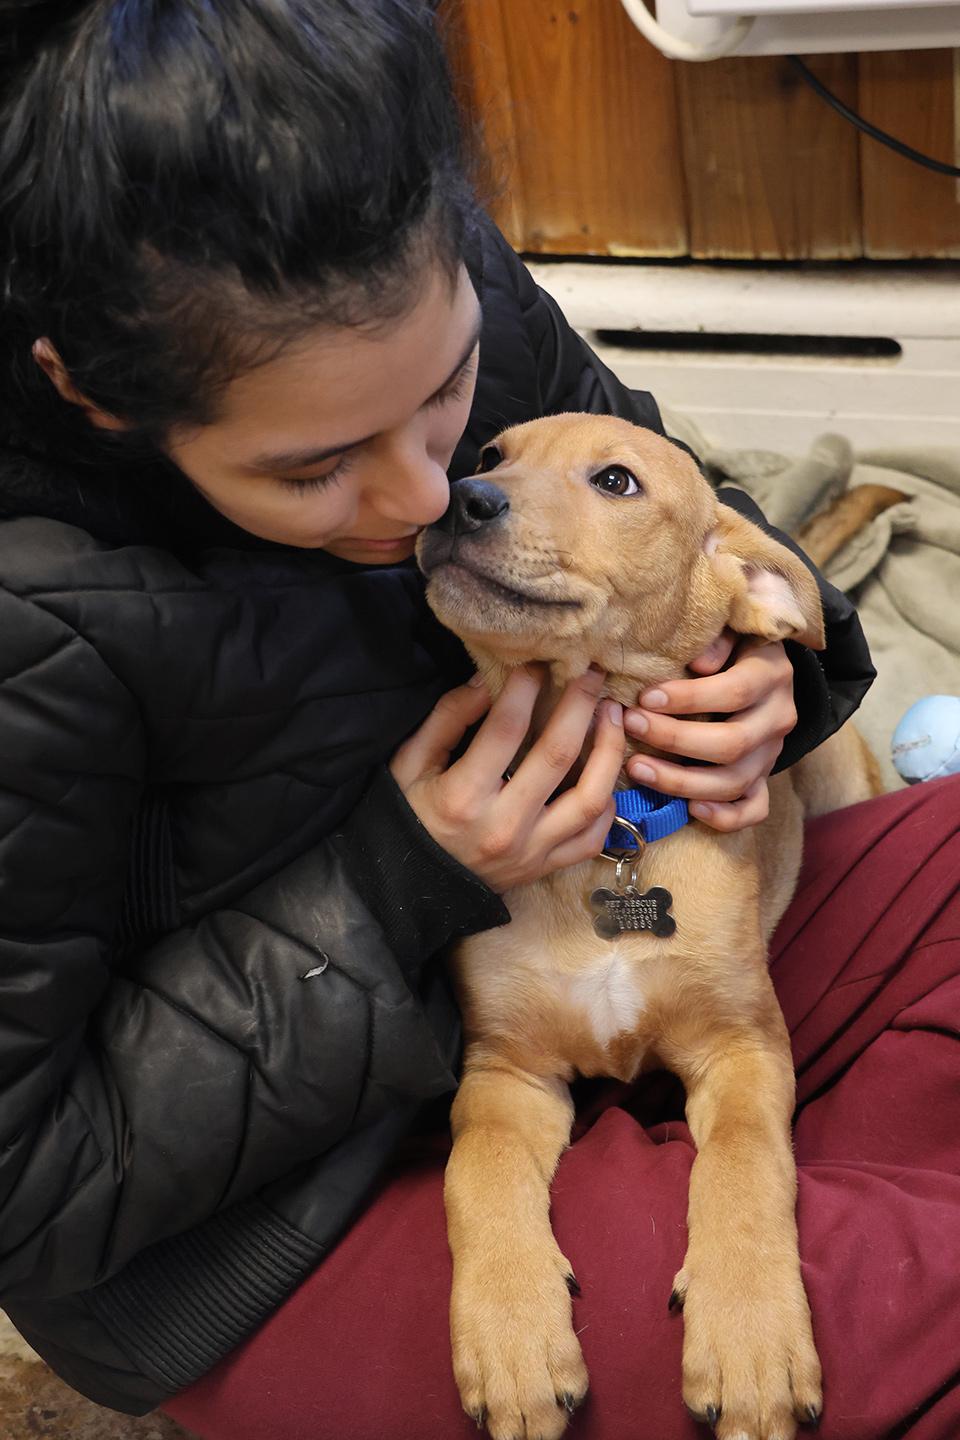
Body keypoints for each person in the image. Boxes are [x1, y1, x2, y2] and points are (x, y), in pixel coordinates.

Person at [1, 3, 954, 1437]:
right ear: (91, 394)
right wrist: (395, 883)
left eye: (451, 398)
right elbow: (36, 1186)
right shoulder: (33, 611)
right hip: (286, 1202)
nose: (441, 500)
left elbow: (694, 512)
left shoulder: (422, 263)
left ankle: (830, 1177)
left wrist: (774, 687)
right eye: (317, 468)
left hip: (625, 906)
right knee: (915, 1308)